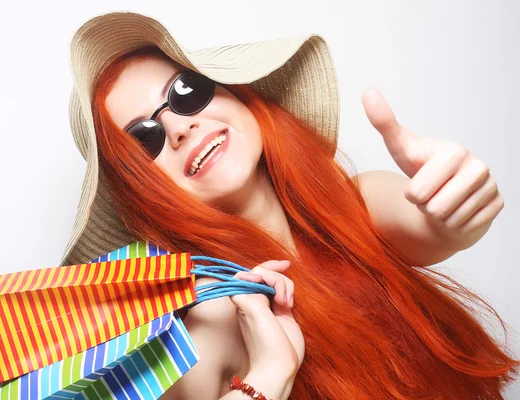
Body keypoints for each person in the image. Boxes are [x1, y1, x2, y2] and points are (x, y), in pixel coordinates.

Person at [60, 11, 519, 399]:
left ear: (237, 93)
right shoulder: (212, 317)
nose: (180, 128)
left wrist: (457, 207)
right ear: (143, 190)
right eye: (144, 139)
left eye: (185, 93)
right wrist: (268, 377)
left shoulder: (352, 203)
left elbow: (429, 225)